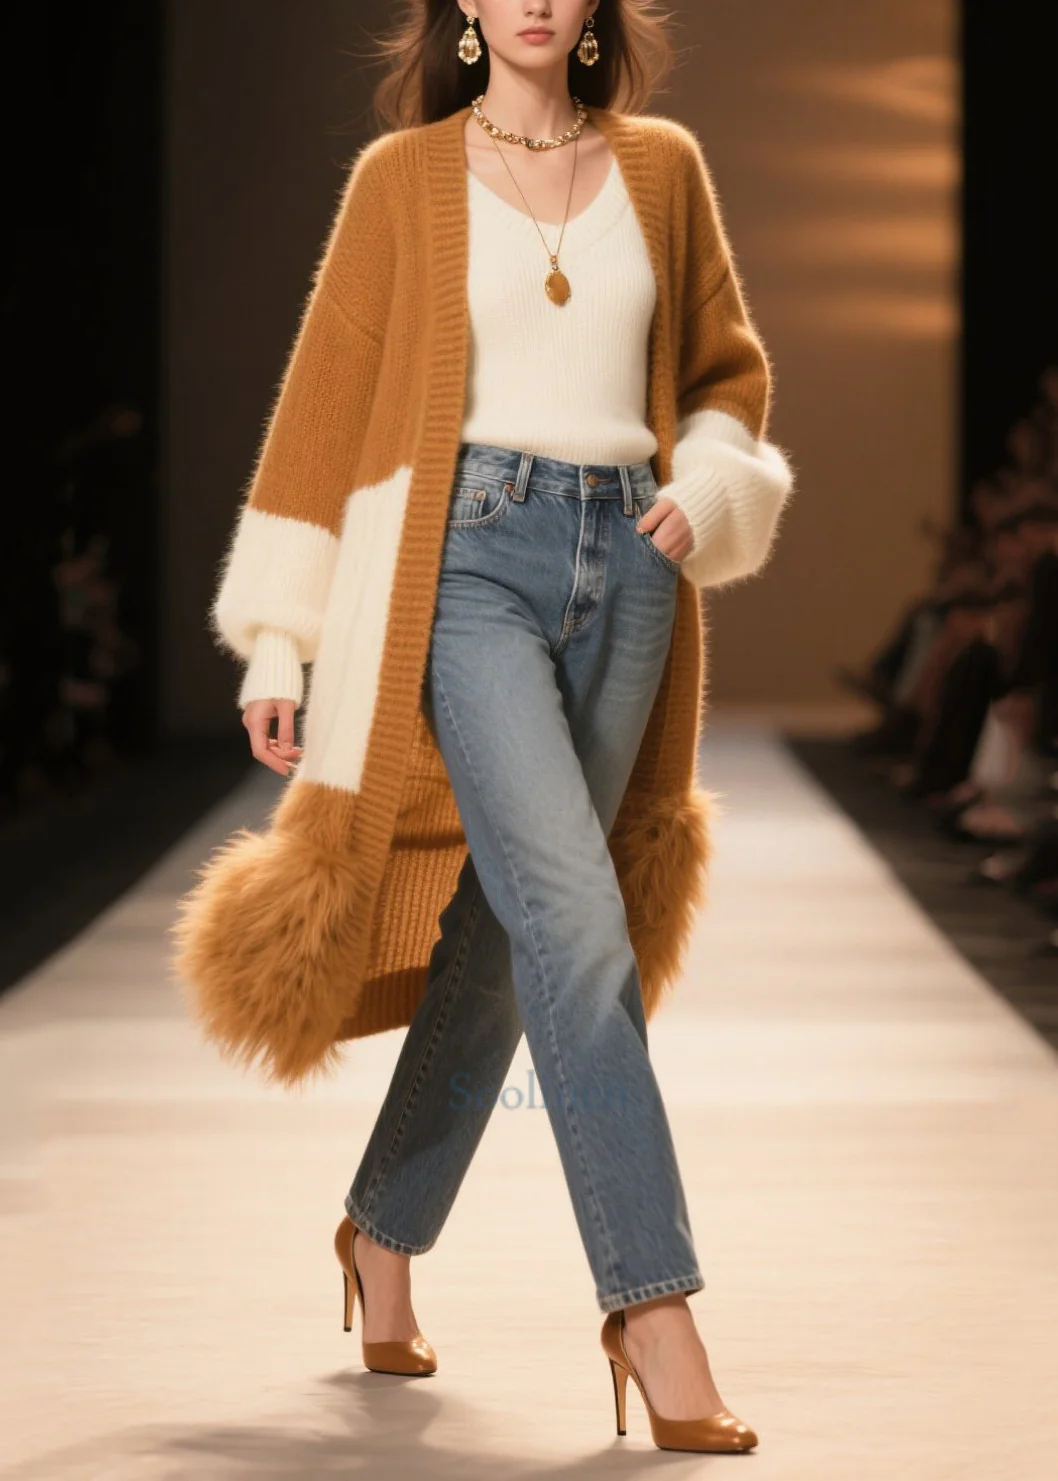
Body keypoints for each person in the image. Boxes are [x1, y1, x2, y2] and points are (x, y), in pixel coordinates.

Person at [172, 0, 794, 1456]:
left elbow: (726, 377)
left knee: (507, 936)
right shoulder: (402, 180)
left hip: (632, 564)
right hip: (466, 565)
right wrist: (281, 637)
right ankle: (653, 1308)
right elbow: (325, 410)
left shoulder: (662, 167)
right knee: (573, 916)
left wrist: (707, 488)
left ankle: (380, 1231)